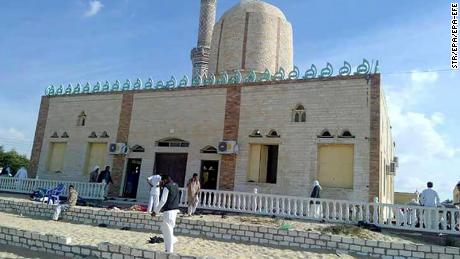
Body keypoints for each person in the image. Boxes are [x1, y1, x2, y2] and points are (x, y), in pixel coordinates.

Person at [152, 175, 180, 253]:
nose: (161, 182)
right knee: (169, 230)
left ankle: (169, 250)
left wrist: (155, 211)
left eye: (162, 181)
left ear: (165, 180)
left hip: (168, 211)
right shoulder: (176, 185)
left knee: (167, 232)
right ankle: (170, 245)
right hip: (175, 211)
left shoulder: (167, 187)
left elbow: (163, 201)